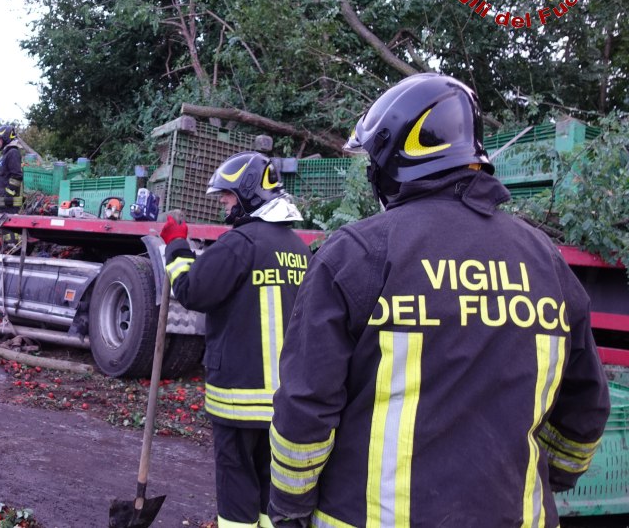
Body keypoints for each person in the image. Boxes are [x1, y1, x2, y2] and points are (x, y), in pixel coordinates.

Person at [268, 73, 611, 527]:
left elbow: (306, 404)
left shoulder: (357, 254)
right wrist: (547, 472)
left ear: (393, 161)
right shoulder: (545, 260)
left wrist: (289, 506)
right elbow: (585, 405)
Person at [161, 151, 312, 528]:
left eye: (227, 196)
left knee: (236, 493)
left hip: (239, 400)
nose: (224, 205)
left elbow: (192, 290)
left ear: (247, 195)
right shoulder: (299, 250)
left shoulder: (239, 244)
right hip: (286, 402)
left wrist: (176, 246)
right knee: (268, 491)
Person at [0, 124, 24, 215]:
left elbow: (17, 176)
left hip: (10, 205)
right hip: (4, 203)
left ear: (6, 139)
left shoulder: (12, 153)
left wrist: (7, 194)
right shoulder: (6, 154)